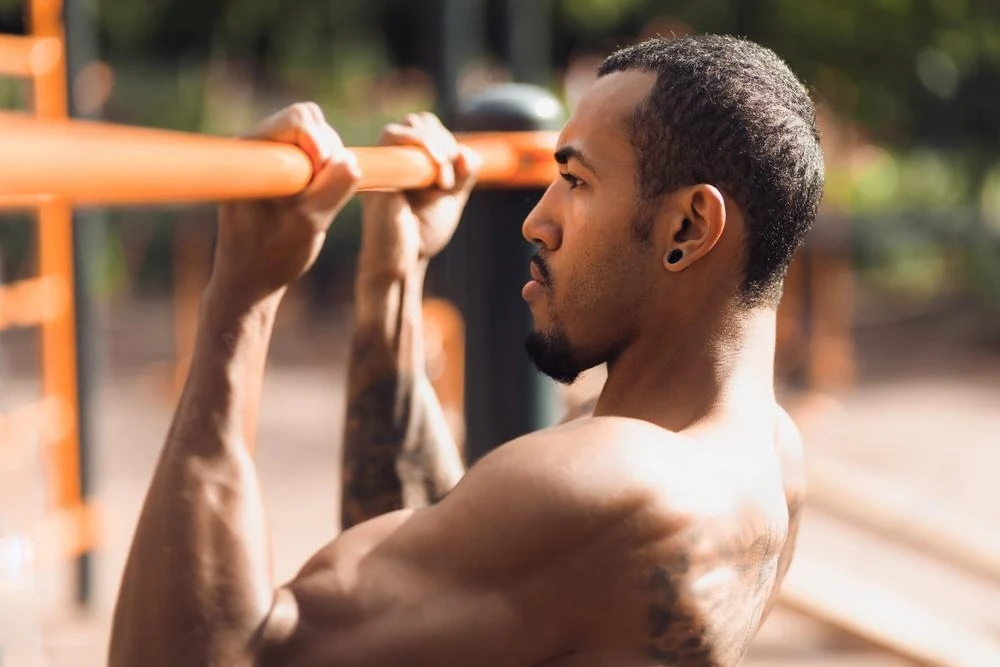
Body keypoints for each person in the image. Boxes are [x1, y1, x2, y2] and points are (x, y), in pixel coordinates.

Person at [109, 34, 822, 667]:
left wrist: (241, 296)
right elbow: (436, 578)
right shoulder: (771, 456)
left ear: (689, 228)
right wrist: (392, 279)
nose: (537, 219)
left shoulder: (618, 488)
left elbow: (214, 654)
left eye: (575, 181)